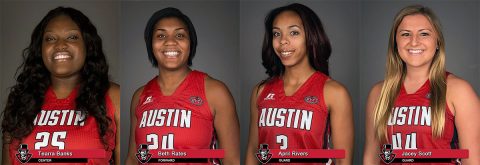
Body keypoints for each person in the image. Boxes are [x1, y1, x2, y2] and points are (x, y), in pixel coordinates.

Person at [1, 7, 120, 165]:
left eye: (72, 37)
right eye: (50, 39)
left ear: (87, 45)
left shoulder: (113, 96)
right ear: (40, 49)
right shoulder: (20, 100)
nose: (60, 45)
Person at [363, 5, 480, 164]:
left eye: (424, 34)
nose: (414, 41)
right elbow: (372, 156)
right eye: (405, 34)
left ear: (437, 41)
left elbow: (473, 160)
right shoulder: (379, 93)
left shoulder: (459, 91)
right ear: (395, 43)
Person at [124, 7, 240, 164]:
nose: (170, 41)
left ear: (190, 42)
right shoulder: (140, 96)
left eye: (180, 35)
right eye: (160, 35)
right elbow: (133, 158)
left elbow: (232, 160)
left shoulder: (215, 92)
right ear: (151, 44)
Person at [245, 3, 354, 164]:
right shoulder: (260, 91)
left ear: (311, 36)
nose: (283, 41)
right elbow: (254, 152)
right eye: (276, 34)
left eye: (294, 33)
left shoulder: (334, 92)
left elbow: (343, 160)